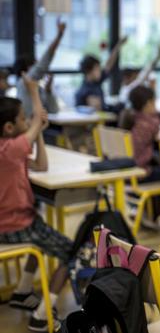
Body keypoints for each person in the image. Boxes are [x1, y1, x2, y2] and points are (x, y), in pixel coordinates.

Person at [0, 77, 72, 332]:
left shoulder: (9, 149)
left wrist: (37, 131)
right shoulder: (9, 151)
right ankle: (42, 317)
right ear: (9, 127)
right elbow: (38, 119)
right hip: (14, 226)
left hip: (12, 223)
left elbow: (42, 165)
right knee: (70, 253)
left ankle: (21, 293)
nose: (26, 122)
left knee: (41, 228)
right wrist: (34, 93)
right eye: (21, 119)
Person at [120, 43, 160, 183]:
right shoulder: (149, 123)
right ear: (148, 104)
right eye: (154, 102)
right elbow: (159, 126)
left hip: (125, 172)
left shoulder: (130, 117)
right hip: (139, 173)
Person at [13, 19, 66, 117]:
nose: (41, 71)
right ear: (28, 68)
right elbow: (45, 61)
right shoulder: (23, 82)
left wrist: (48, 90)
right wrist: (59, 36)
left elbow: (54, 110)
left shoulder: (38, 89)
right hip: (30, 129)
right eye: (35, 65)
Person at [75, 36, 127, 111]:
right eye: (97, 69)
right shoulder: (85, 90)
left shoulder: (96, 82)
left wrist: (118, 45)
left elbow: (109, 64)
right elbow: (97, 109)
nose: (100, 70)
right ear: (89, 71)